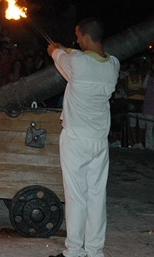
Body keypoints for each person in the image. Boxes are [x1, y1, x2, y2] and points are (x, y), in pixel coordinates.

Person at [47, 17, 120, 257]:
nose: (76, 41)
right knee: (97, 196)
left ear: (86, 38)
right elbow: (77, 56)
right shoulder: (113, 66)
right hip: (99, 142)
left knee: (76, 196)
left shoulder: (76, 63)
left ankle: (74, 251)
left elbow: (60, 58)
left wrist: (54, 50)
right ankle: (95, 251)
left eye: (78, 36)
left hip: (75, 139)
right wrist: (65, 49)